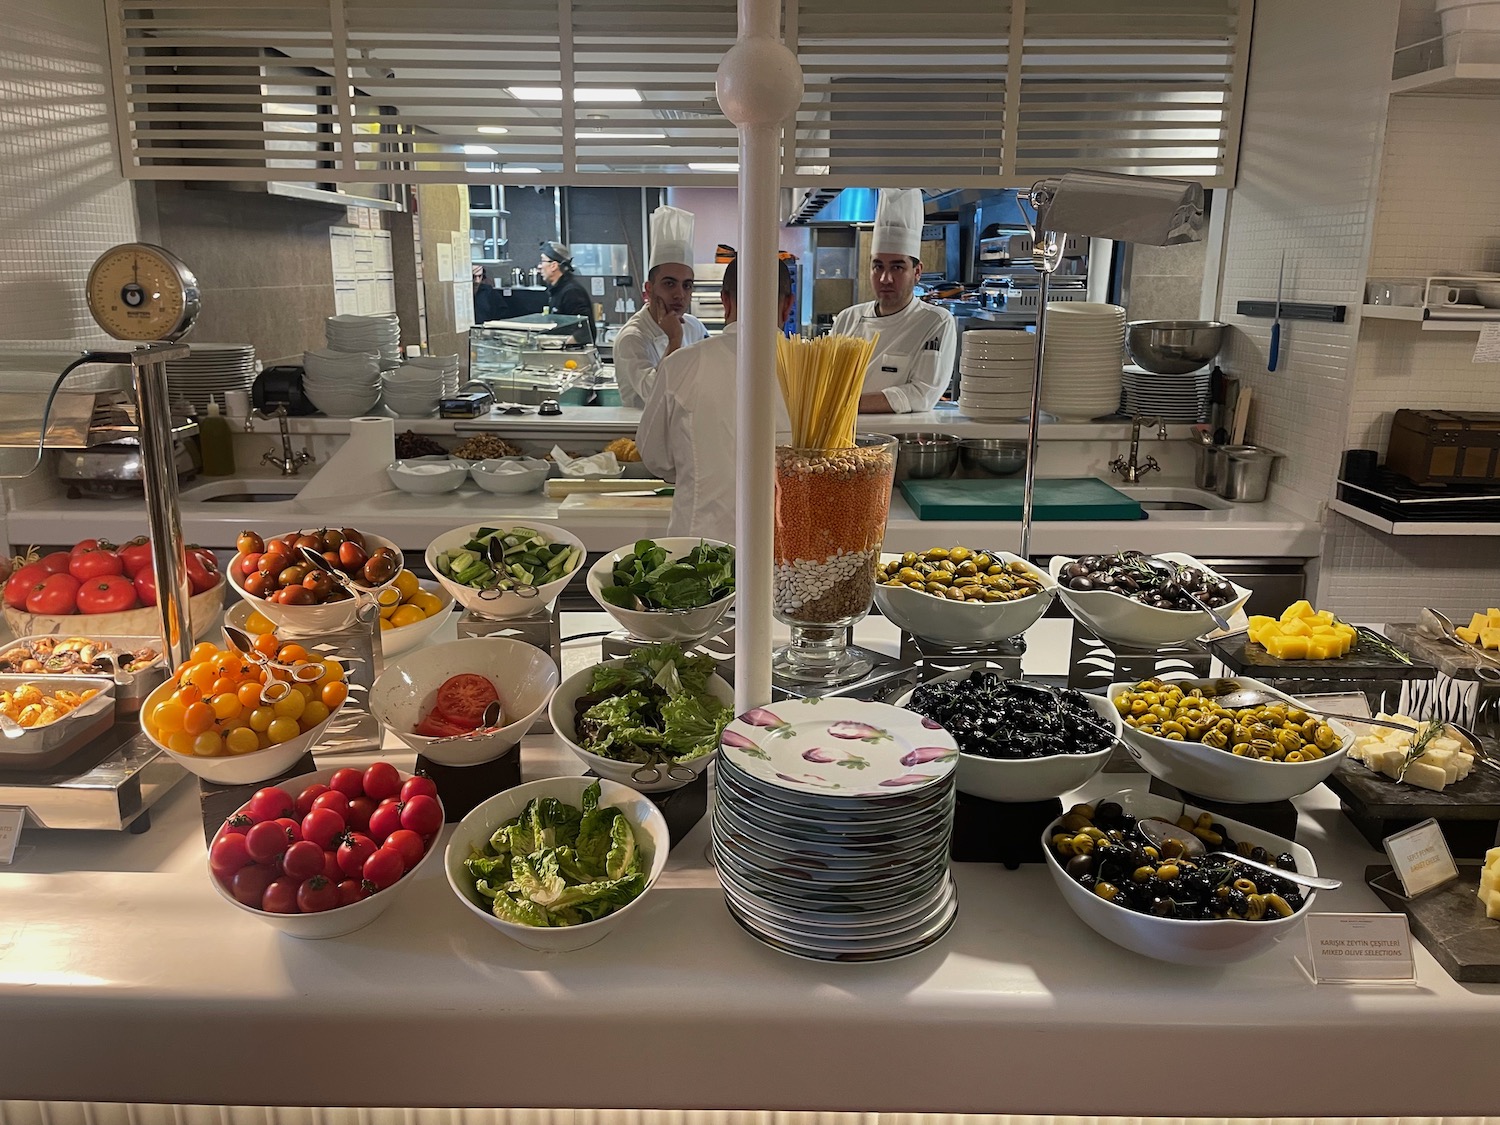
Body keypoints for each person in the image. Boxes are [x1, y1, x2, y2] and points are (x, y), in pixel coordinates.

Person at [637, 256, 793, 543]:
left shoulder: (680, 365)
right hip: (789, 551)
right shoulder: (816, 372)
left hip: (698, 553)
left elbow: (656, 458)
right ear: (787, 305)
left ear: (726, 302)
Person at [831, 188, 956, 414]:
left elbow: (922, 394)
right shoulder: (847, 319)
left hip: (899, 440)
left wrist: (847, 405)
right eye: (878, 266)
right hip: (841, 437)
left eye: (897, 267)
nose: (885, 278)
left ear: (917, 272)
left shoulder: (936, 322)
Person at [611, 205, 707, 409]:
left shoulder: (694, 326)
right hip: (640, 435)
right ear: (649, 288)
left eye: (687, 285)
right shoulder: (632, 338)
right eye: (669, 283)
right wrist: (674, 340)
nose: (679, 294)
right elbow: (656, 395)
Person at [538, 241, 596, 346]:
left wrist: (560, 344)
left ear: (554, 266)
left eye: (542, 261)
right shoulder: (556, 290)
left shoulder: (572, 292)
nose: (539, 266)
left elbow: (585, 331)